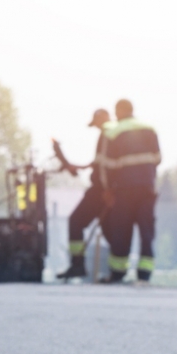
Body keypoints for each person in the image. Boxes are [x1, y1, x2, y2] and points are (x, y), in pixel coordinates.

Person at [100, 99, 161, 283]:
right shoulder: (149, 129)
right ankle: (144, 274)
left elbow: (107, 166)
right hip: (147, 188)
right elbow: (158, 158)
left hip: (124, 190)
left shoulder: (112, 132)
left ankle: (118, 272)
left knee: (121, 231)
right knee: (146, 231)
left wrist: (108, 190)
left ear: (118, 111)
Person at [55, 108, 111, 280]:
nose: (96, 127)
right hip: (106, 189)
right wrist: (77, 167)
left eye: (96, 123)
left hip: (101, 190)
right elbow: (97, 164)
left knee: (76, 221)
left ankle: (78, 265)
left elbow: (105, 166)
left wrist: (108, 189)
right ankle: (115, 271)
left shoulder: (108, 134)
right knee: (110, 229)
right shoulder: (108, 135)